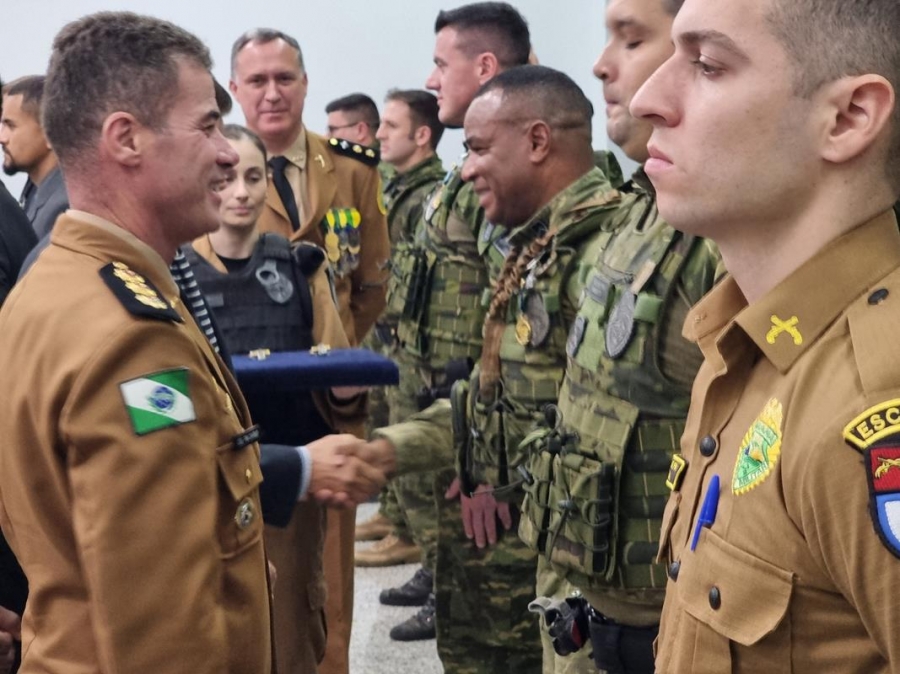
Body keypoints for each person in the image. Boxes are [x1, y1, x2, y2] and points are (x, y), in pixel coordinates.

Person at [627, 0, 900, 670]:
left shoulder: (870, 401)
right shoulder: (741, 339)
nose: (646, 99)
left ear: (848, 118)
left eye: (707, 64)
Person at [0, 13, 274, 672]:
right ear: (126, 139)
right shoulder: (132, 342)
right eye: (207, 126)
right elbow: (163, 638)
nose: (229, 152)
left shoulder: (51, 285)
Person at [519, 1, 721, 672]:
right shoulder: (640, 210)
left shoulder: (721, 236)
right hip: (590, 599)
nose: (601, 65)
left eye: (631, 40)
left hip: (671, 631)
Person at [230, 32, 391, 672]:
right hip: (250, 405)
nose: (272, 93)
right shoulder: (217, 170)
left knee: (331, 580)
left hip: (335, 404)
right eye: (257, 80)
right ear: (236, 89)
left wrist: (337, 353)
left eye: (284, 78)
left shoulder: (350, 168)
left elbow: (372, 282)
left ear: (303, 83)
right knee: (260, 570)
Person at [184, 123, 367, 674]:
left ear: (269, 182)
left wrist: (346, 394)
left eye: (253, 177)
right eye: (225, 178)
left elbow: (338, 376)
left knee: (292, 631)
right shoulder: (174, 273)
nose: (240, 192)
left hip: (292, 483)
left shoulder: (303, 265)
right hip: (208, 484)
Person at [357, 90, 447, 637]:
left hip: (418, 351)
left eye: (390, 126)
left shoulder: (429, 195)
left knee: (424, 477)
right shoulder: (401, 190)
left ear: (421, 135)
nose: (379, 134)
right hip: (398, 344)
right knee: (406, 471)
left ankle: (438, 579)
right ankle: (427, 565)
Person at [0, 76, 67, 240]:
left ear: (50, 133)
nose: (2, 138)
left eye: (11, 126)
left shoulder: (65, 208)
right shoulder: (35, 192)